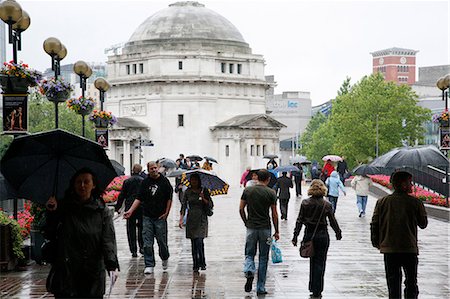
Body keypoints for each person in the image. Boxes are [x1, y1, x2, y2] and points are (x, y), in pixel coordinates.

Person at [44, 168, 119, 298]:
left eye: (86, 181)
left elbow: (108, 239)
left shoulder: (101, 211)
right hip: (66, 271)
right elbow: (49, 233)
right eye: (78, 182)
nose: (82, 185)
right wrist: (51, 213)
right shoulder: (63, 208)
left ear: (93, 185)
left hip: (92, 272)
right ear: (73, 184)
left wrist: (111, 265)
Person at [370, 171, 428, 299]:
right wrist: (420, 207)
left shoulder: (382, 202)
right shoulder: (414, 202)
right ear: (403, 184)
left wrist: (377, 243)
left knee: (393, 283)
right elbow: (423, 224)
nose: (412, 185)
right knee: (411, 282)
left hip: (389, 249)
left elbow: (374, 223)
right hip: (409, 248)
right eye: (410, 182)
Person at [292, 179, 342, 299]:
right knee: (320, 262)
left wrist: (295, 236)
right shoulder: (327, 204)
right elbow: (332, 220)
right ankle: (317, 289)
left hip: (309, 234)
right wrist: (338, 232)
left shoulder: (305, 203)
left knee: (312, 261)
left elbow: (299, 221)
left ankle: (312, 286)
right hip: (322, 235)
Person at [124, 161, 173, 274]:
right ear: (148, 169)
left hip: (160, 216)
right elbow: (139, 198)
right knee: (147, 242)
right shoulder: (145, 182)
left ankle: (164, 257)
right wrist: (130, 210)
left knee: (162, 241)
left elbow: (169, 198)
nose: (154, 170)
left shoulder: (164, 181)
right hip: (147, 216)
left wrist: (167, 213)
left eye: (155, 168)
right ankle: (149, 264)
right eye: (152, 168)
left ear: (158, 168)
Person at [239, 169, 279, 295]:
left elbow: (241, 208)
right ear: (267, 179)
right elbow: (274, 214)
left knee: (249, 254)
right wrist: (277, 230)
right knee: (263, 257)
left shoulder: (248, 190)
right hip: (265, 229)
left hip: (251, 227)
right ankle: (260, 287)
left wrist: (246, 222)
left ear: (256, 178)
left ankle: (249, 270)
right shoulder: (271, 193)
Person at [178, 173, 213, 271]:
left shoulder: (204, 191)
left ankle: (202, 262)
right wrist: (181, 219)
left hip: (202, 218)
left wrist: (204, 198)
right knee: (193, 242)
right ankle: (195, 264)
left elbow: (210, 205)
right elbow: (183, 206)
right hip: (191, 219)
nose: (194, 182)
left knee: (199, 241)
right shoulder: (188, 192)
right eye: (192, 180)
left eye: (195, 180)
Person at [116, 164, 144, 257]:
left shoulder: (127, 181)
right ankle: (142, 247)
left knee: (130, 228)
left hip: (129, 206)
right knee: (141, 227)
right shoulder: (143, 181)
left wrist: (118, 207)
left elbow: (122, 195)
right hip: (141, 206)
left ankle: (133, 250)